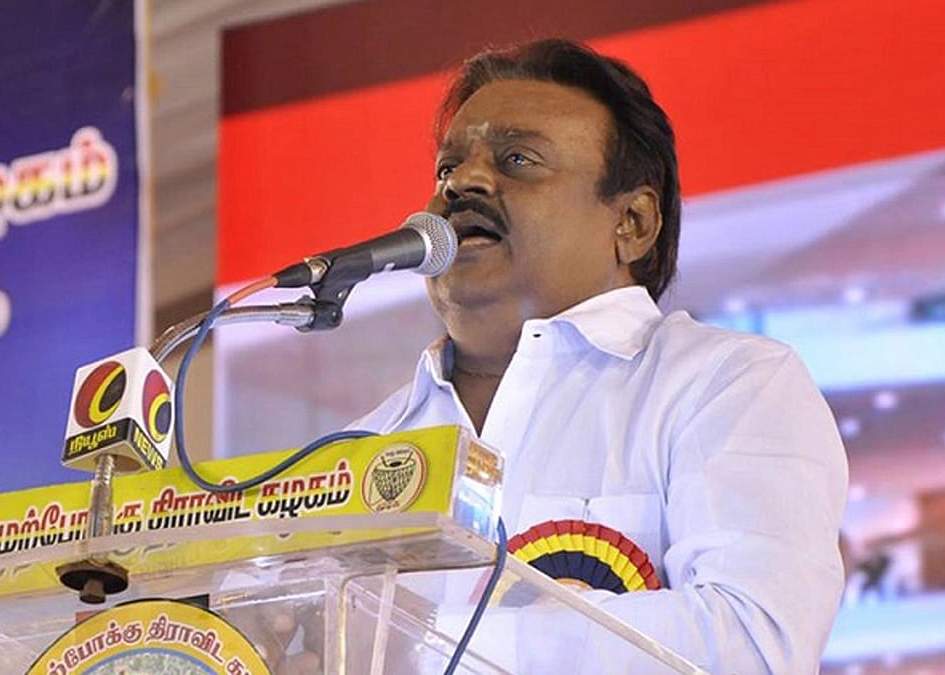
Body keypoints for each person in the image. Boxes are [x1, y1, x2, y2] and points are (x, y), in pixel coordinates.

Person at [350, 38, 849, 673]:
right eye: (447, 168)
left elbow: (751, 645)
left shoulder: (725, 385)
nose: (463, 183)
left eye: (518, 159)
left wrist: (413, 651)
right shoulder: (364, 446)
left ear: (632, 223)